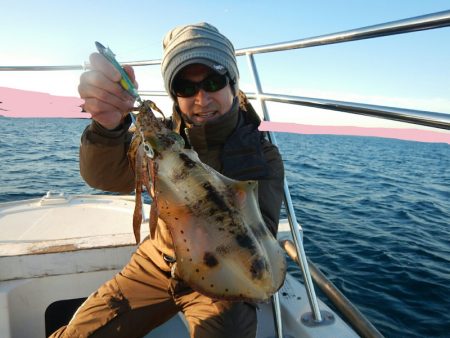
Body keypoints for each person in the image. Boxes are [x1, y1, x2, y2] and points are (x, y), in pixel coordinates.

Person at [50, 22, 284, 338]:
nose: (201, 99)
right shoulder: (161, 139)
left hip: (218, 271)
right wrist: (107, 127)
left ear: (233, 83)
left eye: (213, 81)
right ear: (173, 94)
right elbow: (105, 176)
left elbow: (260, 238)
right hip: (157, 262)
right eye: (186, 88)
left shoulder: (262, 156)